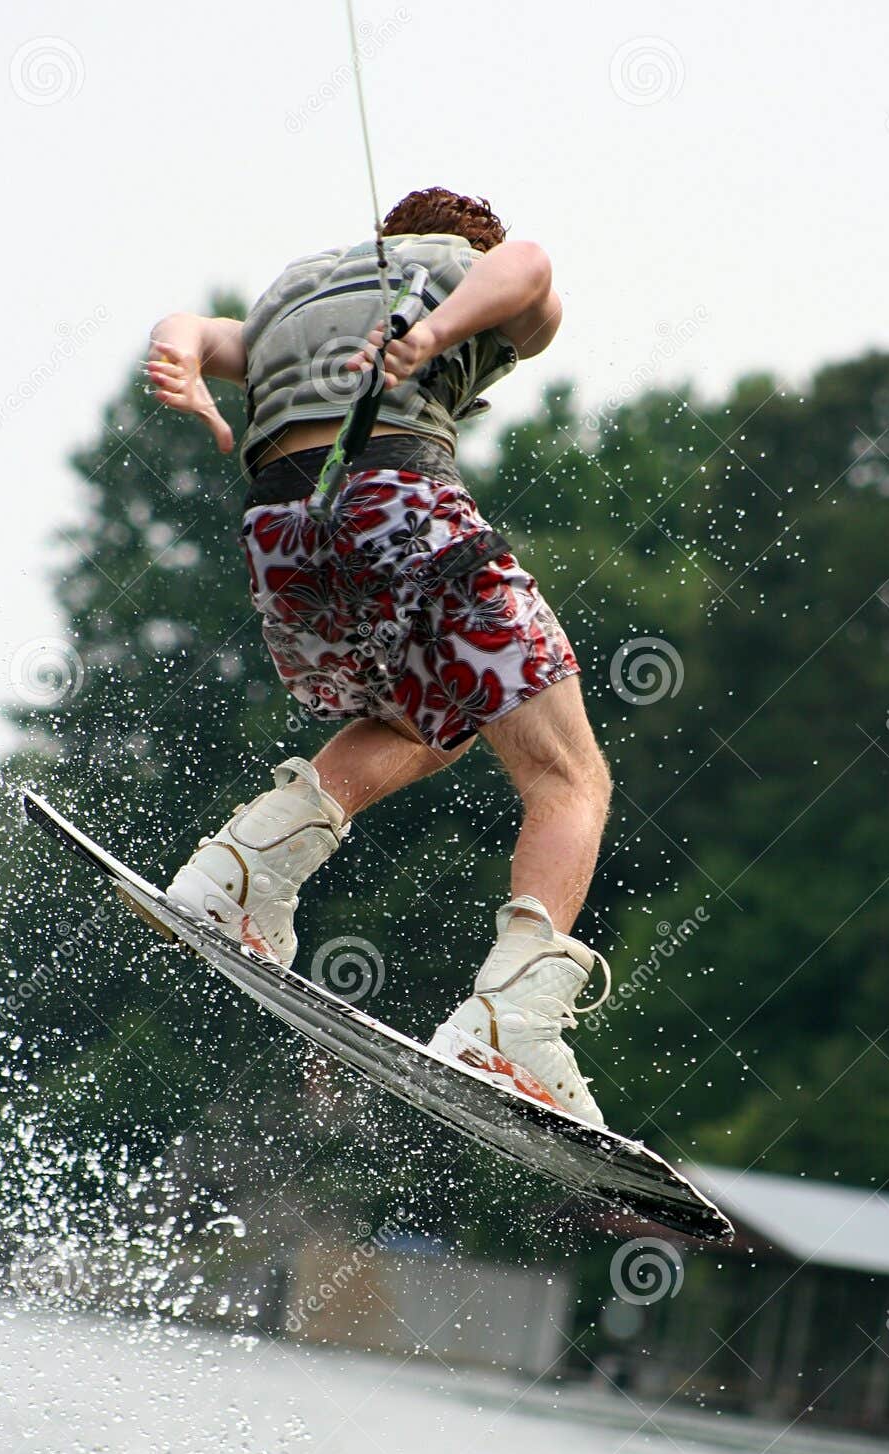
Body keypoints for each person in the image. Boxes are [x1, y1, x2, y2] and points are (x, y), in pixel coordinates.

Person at [146, 187, 612, 1125]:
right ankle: (510, 1023)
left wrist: (179, 354)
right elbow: (532, 269)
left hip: (283, 531)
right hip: (400, 503)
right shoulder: (474, 276)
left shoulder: (292, 294)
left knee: (435, 712)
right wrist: (439, 334)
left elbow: (197, 326)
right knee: (567, 775)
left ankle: (243, 871)